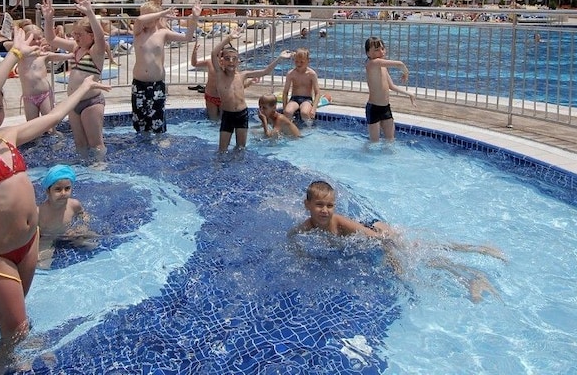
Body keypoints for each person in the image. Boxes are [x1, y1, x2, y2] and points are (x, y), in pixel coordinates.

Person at [0, 27, 110, 349]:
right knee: (17, 334)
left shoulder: (9, 138)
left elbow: (55, 116)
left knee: (16, 327)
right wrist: (14, 55)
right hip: (0, 256)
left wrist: (83, 88)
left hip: (29, 244)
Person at [289, 181, 504, 302]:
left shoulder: (340, 222)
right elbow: (292, 236)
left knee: (417, 255)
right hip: (369, 235)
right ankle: (477, 256)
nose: (325, 210)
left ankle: (475, 268)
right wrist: (301, 254)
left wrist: (397, 263)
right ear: (307, 205)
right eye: (319, 205)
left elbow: (379, 239)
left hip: (376, 231)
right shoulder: (307, 226)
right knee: (421, 251)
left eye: (330, 205)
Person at [42, 0, 109, 155]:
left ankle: (100, 167)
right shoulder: (75, 47)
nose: (76, 37)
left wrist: (90, 12)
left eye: (80, 34)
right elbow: (51, 39)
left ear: (91, 35)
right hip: (73, 102)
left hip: (91, 102)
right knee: (79, 143)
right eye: (75, 34)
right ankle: (83, 168)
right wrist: (49, 19)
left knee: (95, 143)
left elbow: (100, 37)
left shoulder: (96, 51)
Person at [210, 34, 292, 151]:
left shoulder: (243, 75)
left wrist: (279, 58)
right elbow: (214, 53)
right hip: (228, 115)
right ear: (222, 61)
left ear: (238, 61)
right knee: (222, 149)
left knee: (241, 148)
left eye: (234, 59)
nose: (231, 61)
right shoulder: (220, 75)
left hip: (242, 114)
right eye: (227, 58)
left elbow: (265, 71)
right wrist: (228, 39)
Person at [130, 1, 200, 133]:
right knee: (140, 122)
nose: (146, 19)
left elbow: (187, 37)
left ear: (156, 18)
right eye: (145, 15)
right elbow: (139, 20)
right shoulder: (138, 32)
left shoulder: (163, 33)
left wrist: (194, 18)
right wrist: (162, 13)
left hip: (157, 83)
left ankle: (159, 141)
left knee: (158, 121)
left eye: (149, 16)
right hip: (139, 84)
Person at [37, 164, 97, 269]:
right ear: (48, 191)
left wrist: (81, 227)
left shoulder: (74, 205)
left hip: (69, 234)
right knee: (41, 264)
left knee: (93, 244)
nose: (63, 193)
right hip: (47, 238)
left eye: (67, 188)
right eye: (58, 189)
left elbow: (84, 215)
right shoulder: (40, 211)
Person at [17, 24, 71, 126]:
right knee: (32, 126)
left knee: (50, 124)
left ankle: (54, 135)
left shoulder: (43, 55)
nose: (37, 41)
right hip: (29, 97)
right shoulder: (20, 56)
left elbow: (56, 56)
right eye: (32, 39)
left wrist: (71, 56)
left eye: (39, 38)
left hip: (45, 95)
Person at [364, 37, 415, 142]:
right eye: (376, 50)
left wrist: (409, 93)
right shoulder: (372, 63)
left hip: (385, 108)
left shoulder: (382, 67)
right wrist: (406, 73)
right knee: (374, 143)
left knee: (390, 140)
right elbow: (399, 64)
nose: (381, 52)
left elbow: (391, 86)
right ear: (368, 53)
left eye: (382, 49)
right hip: (373, 109)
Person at [282, 47, 320, 125]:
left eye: (302, 62)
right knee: (288, 112)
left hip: (307, 100)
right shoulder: (291, 74)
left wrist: (313, 109)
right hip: (294, 99)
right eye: (296, 61)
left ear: (308, 61)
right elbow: (285, 92)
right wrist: (284, 107)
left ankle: (308, 128)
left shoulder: (311, 74)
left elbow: (317, 93)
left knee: (305, 113)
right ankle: (289, 127)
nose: (298, 64)